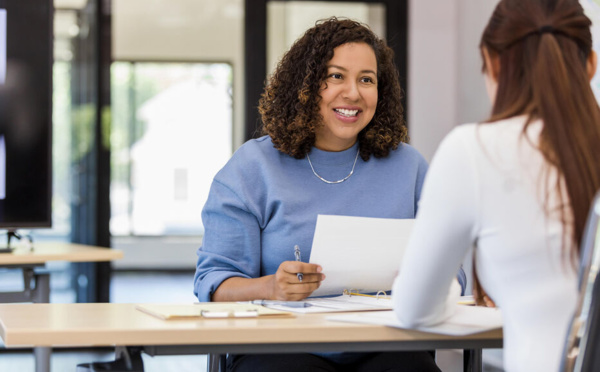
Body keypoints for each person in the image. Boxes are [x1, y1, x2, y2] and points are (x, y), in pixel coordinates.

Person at [194, 17, 442, 372]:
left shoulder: (410, 167)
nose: (353, 93)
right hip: (282, 349)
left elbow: (455, 271)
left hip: (388, 345)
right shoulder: (253, 167)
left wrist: (427, 278)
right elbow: (214, 282)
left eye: (367, 80)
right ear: (306, 85)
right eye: (336, 76)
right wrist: (271, 287)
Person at [392, 1, 600, 371]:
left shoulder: (474, 151)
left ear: (493, 64)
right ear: (591, 65)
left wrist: (449, 290)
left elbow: (414, 309)